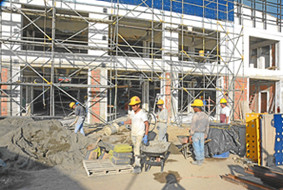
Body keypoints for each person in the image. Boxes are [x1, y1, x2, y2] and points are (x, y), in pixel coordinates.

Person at [119, 96, 149, 174]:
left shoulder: (142, 113)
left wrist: (146, 135)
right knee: (135, 147)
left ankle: (138, 165)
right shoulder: (132, 113)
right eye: (132, 105)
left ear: (138, 105)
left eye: (134, 105)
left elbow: (147, 124)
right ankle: (136, 160)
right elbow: (131, 121)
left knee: (137, 148)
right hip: (133, 133)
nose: (133, 107)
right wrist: (124, 123)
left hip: (140, 133)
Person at [189, 99, 210, 166]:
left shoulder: (195, 116)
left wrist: (190, 135)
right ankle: (201, 159)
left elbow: (193, 126)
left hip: (196, 133)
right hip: (202, 133)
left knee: (196, 147)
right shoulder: (205, 115)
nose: (193, 108)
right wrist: (206, 133)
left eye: (194, 107)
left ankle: (198, 161)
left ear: (197, 108)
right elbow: (207, 126)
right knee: (201, 147)